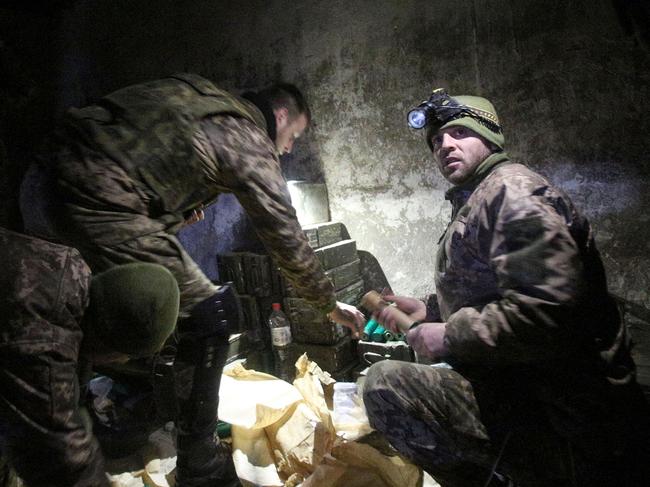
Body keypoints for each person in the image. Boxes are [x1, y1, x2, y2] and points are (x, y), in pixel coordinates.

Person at [20, 73, 365, 486]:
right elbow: (284, 233)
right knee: (212, 314)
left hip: (38, 183)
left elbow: (145, 153)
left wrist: (175, 210)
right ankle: (200, 461)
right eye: (294, 135)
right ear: (280, 113)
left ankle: (90, 421)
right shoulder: (248, 132)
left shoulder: (194, 95)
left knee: (72, 305)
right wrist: (328, 303)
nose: (290, 147)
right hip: (98, 197)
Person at [362, 90, 650, 486]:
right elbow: (492, 289)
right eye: (436, 141)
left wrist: (449, 336)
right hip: (524, 387)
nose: (445, 145)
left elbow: (548, 311)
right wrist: (430, 310)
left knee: (386, 386)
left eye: (459, 132)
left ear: (489, 137)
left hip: (563, 414)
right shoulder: (482, 195)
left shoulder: (511, 193)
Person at [0, 226, 179, 487]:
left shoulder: (70, 268)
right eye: (125, 356)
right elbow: (63, 461)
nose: (121, 362)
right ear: (113, 347)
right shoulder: (46, 340)